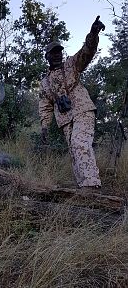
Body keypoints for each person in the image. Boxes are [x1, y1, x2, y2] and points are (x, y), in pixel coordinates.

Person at [38, 16, 105, 192]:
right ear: (47, 56)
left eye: (59, 51)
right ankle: (84, 187)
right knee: (75, 152)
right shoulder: (45, 82)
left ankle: (91, 185)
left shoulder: (71, 64)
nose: (57, 54)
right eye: (53, 52)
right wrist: (44, 126)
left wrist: (93, 34)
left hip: (83, 110)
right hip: (65, 119)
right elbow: (45, 106)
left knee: (79, 143)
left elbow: (87, 52)